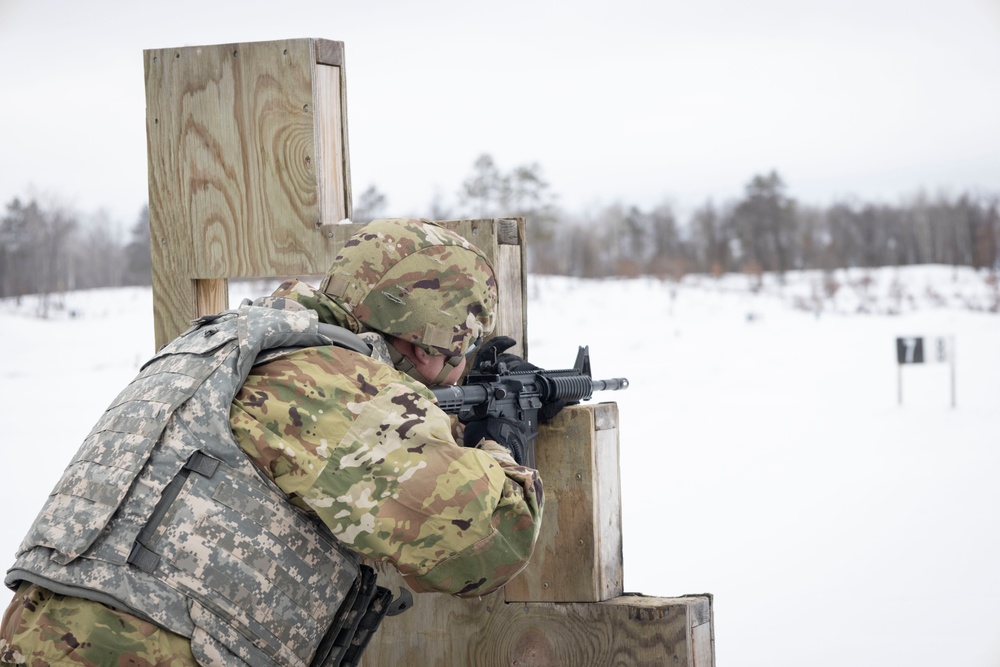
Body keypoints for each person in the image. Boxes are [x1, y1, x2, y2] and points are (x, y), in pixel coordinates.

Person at [0, 218, 547, 667]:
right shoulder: (339, 383)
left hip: (41, 634)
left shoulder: (226, 343)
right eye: (457, 354)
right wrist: (503, 440)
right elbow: (485, 546)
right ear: (430, 346)